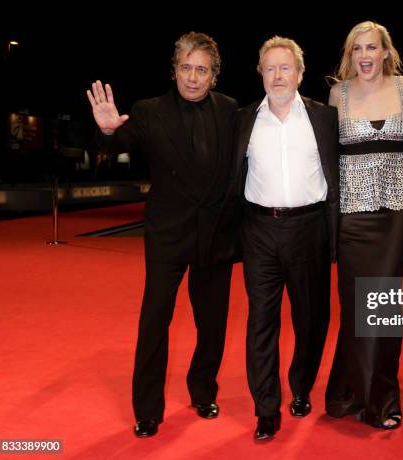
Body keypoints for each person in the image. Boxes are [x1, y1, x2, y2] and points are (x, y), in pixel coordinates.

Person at [86, 32, 238, 438]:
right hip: (168, 235)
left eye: (201, 70)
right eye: (186, 68)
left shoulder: (229, 111)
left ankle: (203, 391)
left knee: (213, 325)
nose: (193, 77)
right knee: (155, 322)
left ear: (213, 76)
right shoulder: (148, 111)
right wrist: (106, 133)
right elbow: (121, 140)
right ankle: (148, 409)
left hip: (215, 236)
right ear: (174, 71)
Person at [230, 36, 339, 440]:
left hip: (309, 229)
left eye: (285, 68)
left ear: (300, 73)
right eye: (270, 68)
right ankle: (266, 408)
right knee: (261, 320)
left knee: (311, 319)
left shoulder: (325, 118)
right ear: (260, 73)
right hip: (258, 230)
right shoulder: (242, 120)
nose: (277, 76)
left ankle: (301, 386)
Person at [325, 21, 403, 430]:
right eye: (357, 48)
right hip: (352, 214)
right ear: (351, 55)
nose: (365, 55)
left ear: (385, 51)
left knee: (380, 306)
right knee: (353, 306)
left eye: (372, 48)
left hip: (398, 210)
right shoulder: (337, 94)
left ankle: (380, 400)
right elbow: (326, 156)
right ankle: (346, 390)